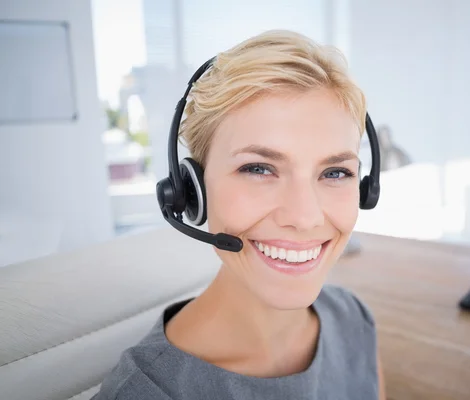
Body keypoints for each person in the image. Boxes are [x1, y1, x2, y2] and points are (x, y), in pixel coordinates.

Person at [92, 29, 385, 400]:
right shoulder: (149, 392)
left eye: (335, 172)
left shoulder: (352, 319)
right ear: (191, 190)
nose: (305, 216)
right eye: (259, 169)